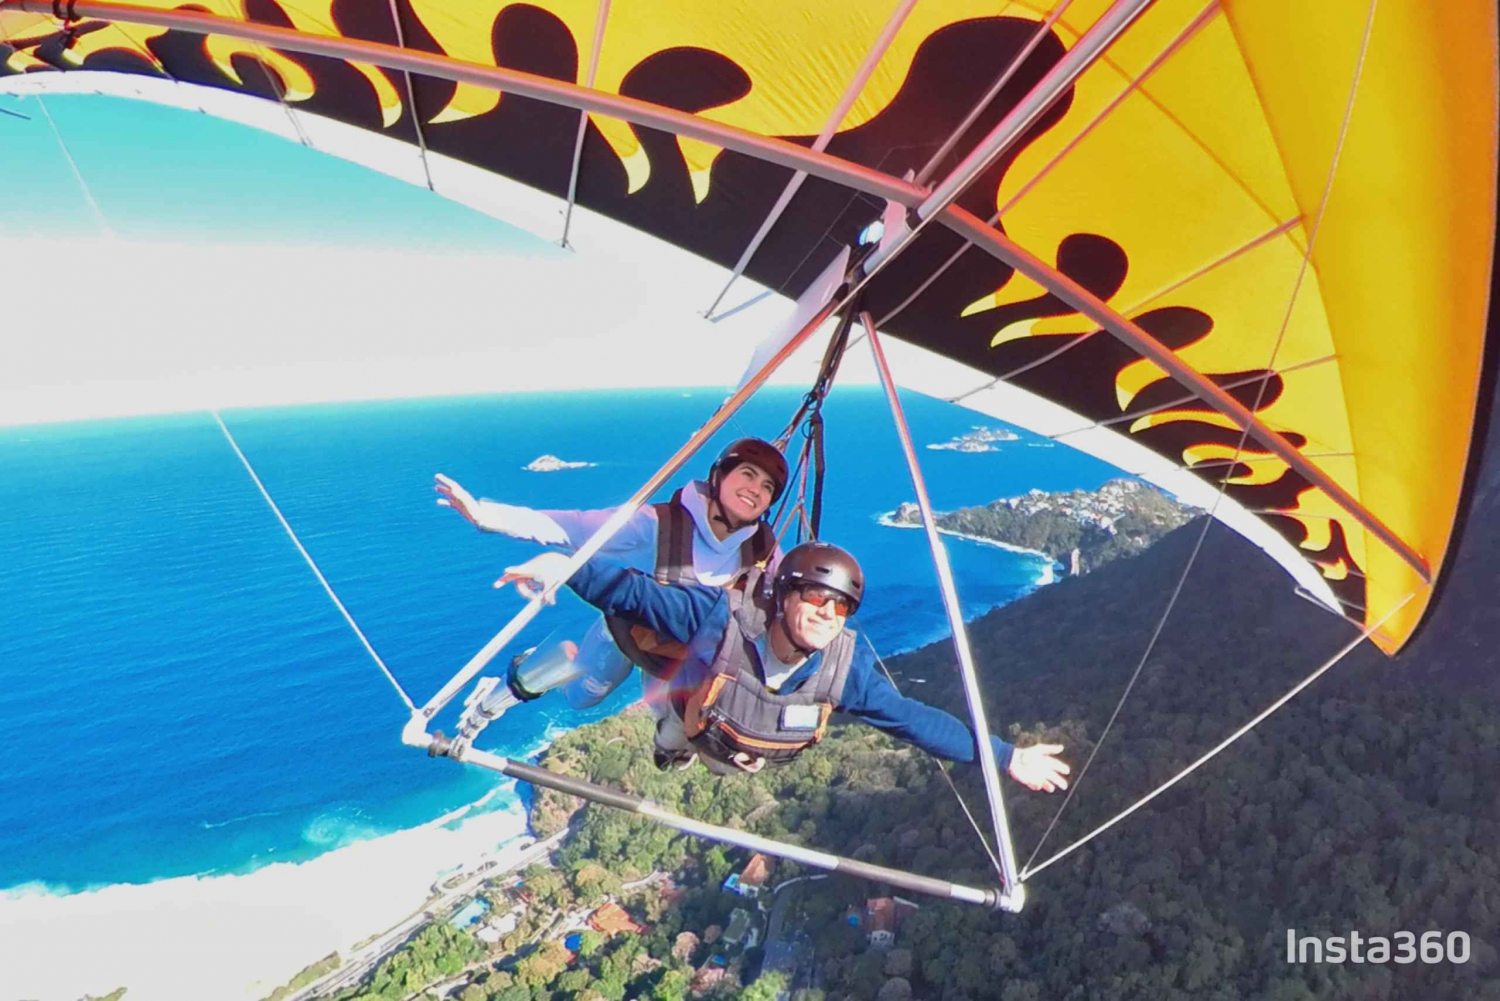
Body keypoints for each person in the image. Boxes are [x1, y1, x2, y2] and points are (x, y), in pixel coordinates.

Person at [499, 539, 1071, 791]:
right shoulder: (720, 618)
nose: (828, 612)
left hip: (741, 747)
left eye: (842, 605)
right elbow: (632, 592)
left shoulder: (842, 672)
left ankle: (680, 745)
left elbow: (913, 720)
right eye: (816, 598)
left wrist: (1004, 756)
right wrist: (564, 564)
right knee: (659, 714)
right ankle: (546, 685)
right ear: (782, 597)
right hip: (688, 701)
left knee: (720, 759)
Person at [434, 438, 789, 708]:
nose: (755, 490)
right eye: (747, 474)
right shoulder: (659, 524)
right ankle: (517, 678)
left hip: (683, 655)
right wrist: (487, 516)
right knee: (582, 697)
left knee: (689, 721)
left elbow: (792, 599)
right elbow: (573, 527)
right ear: (719, 476)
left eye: (767, 487)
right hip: (629, 634)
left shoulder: (761, 550)